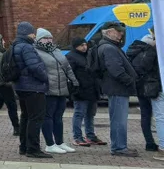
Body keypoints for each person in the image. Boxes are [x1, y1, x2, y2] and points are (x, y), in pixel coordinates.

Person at [95, 22, 139, 156]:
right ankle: (119, 147)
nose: (121, 34)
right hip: (118, 88)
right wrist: (130, 80)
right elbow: (116, 70)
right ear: (108, 32)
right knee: (119, 120)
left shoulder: (109, 46)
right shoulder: (109, 48)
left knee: (117, 119)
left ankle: (119, 146)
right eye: (118, 31)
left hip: (116, 88)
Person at [35, 28, 78, 155]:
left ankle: (60, 142)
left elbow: (67, 67)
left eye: (50, 38)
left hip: (62, 88)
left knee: (58, 117)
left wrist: (74, 81)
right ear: (38, 39)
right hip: (48, 89)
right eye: (45, 38)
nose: (48, 40)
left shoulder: (57, 50)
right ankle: (50, 144)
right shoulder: (36, 52)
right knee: (48, 116)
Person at [12, 22, 51, 158]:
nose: (34, 35)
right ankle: (33, 148)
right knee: (35, 118)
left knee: (26, 117)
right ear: (27, 33)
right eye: (32, 32)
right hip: (33, 86)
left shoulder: (16, 45)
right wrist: (45, 77)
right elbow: (34, 66)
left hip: (21, 86)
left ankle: (24, 146)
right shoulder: (27, 47)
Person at [65, 38, 104, 147]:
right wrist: (75, 87)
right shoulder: (71, 57)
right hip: (80, 89)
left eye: (85, 45)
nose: (84, 47)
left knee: (90, 114)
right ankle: (77, 137)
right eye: (81, 45)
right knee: (79, 113)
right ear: (76, 46)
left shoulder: (88, 55)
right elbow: (69, 74)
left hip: (92, 89)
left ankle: (90, 135)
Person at [127, 33, 161, 152]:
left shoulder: (134, 50)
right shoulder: (150, 52)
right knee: (159, 115)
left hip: (140, 87)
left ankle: (149, 142)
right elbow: (148, 68)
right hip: (152, 87)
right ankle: (156, 143)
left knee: (145, 115)